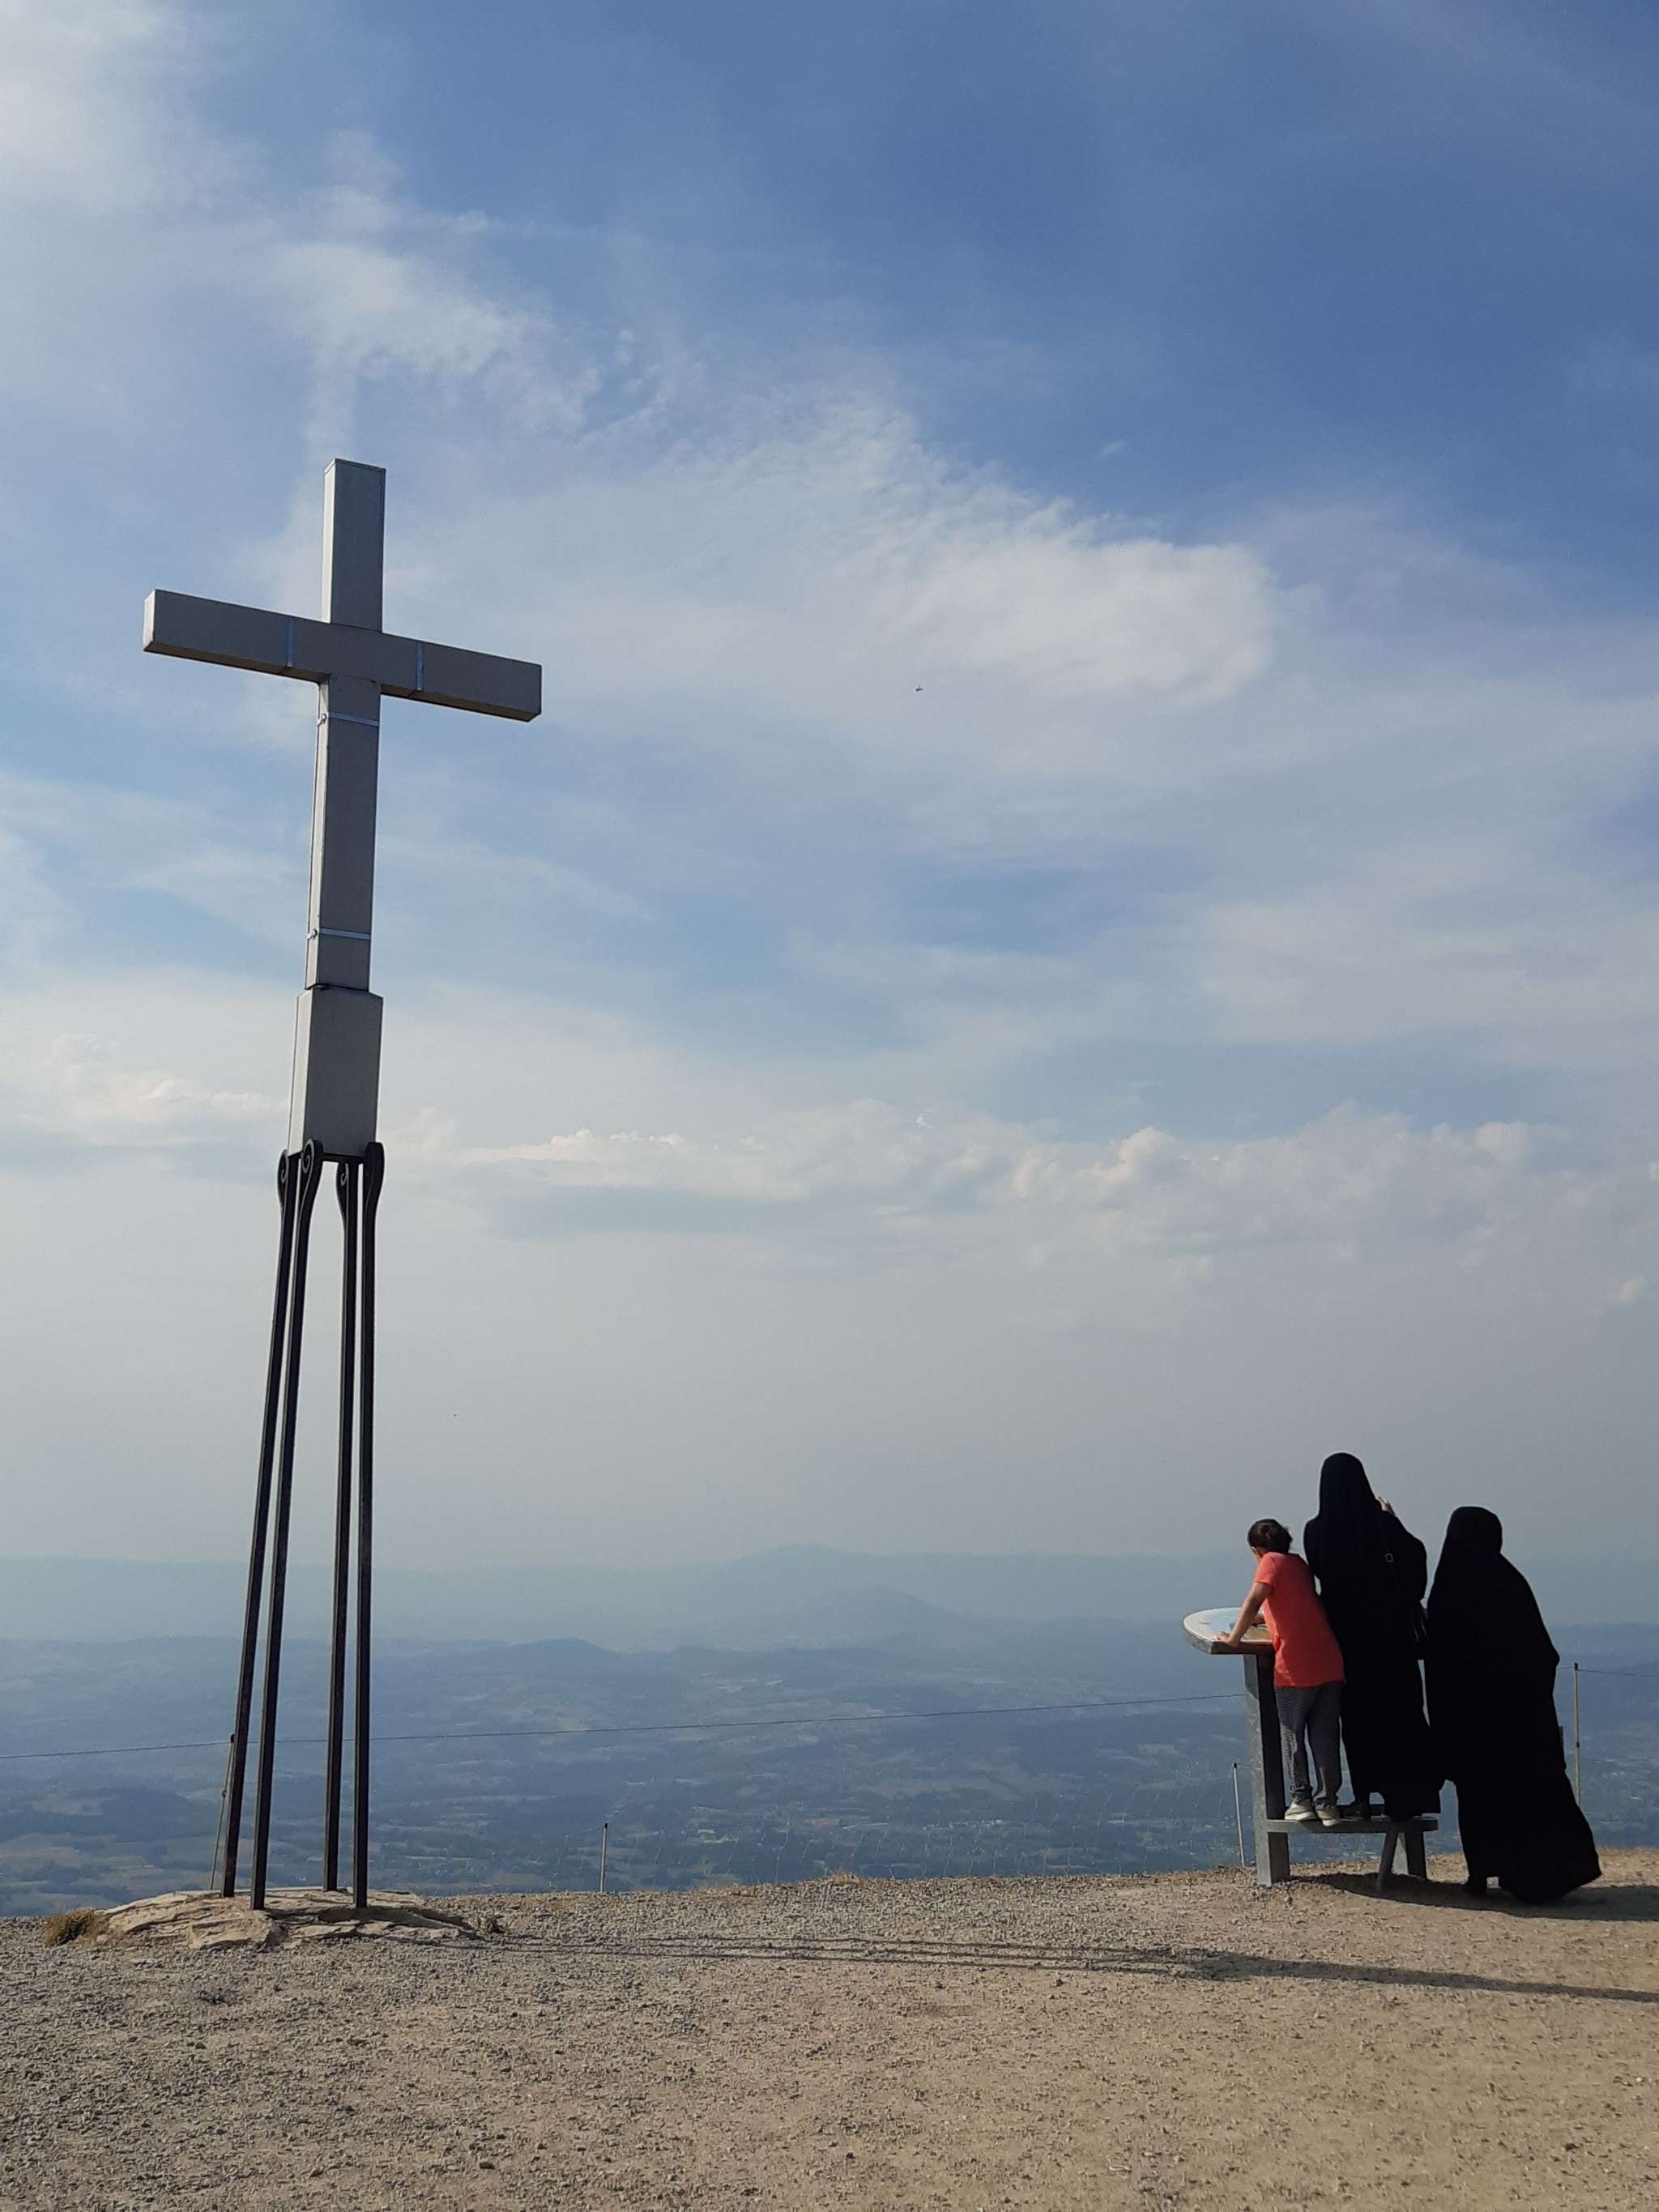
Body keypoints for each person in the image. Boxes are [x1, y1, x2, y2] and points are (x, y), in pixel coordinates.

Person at [1427, 1507, 1600, 1903]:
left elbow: (1440, 1662)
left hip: (1468, 1720)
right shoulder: (1510, 1582)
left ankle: (1479, 1873)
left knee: (1477, 1794)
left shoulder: (1448, 1590)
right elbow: (1544, 1653)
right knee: (1530, 1792)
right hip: (1521, 1719)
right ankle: (1538, 1874)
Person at [1303, 1452, 1439, 1822]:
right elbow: (1415, 1567)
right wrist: (1392, 1517)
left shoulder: (1316, 1531)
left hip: (1347, 1642)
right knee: (1400, 1714)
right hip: (1393, 1640)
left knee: (1357, 1720)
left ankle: (1363, 1795)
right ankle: (1407, 1795)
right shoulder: (1384, 1526)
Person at [1219, 1518, 1346, 1827]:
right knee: (1325, 1736)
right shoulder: (1298, 1565)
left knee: (1293, 1735)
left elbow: (1254, 1598)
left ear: (1256, 1550)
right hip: (1329, 1663)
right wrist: (1265, 1620)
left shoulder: (1270, 1562)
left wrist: (1233, 1638)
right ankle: (1328, 1803)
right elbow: (1296, 1606)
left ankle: (1301, 1800)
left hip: (1295, 1668)